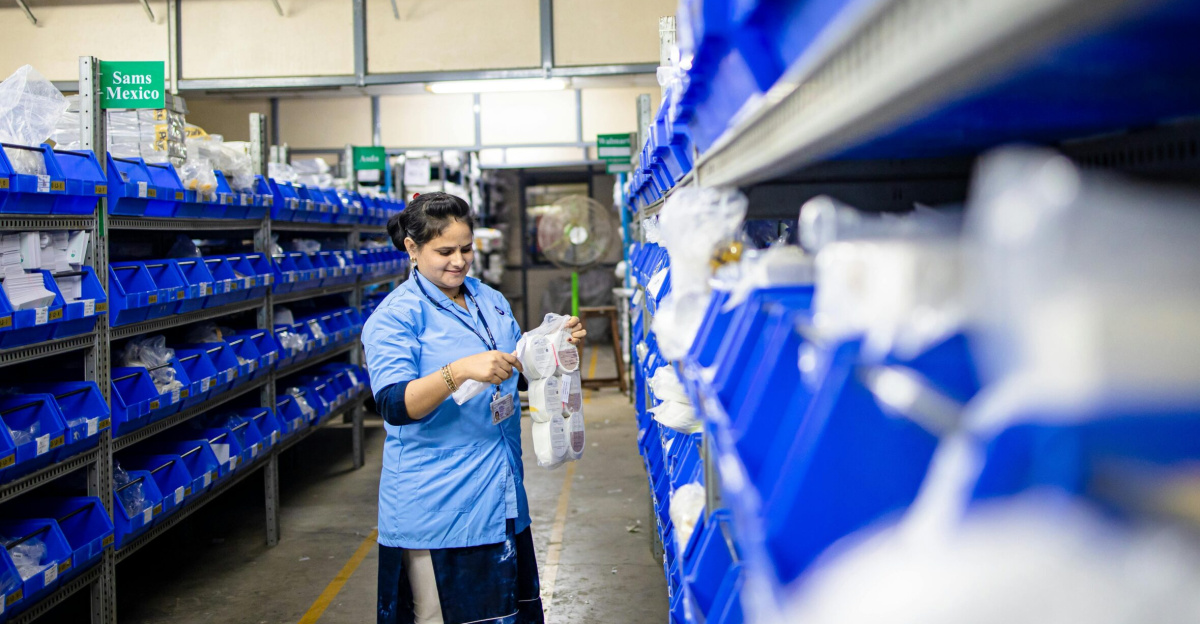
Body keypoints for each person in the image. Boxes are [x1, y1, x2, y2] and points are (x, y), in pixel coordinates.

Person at [362, 192, 586, 624]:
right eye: (445, 251)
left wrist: (555, 346)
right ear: (412, 248)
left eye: (466, 249)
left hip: (500, 492)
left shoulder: (490, 299)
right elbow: (393, 404)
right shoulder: (396, 316)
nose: (460, 261)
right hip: (440, 506)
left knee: (509, 614)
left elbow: (513, 371)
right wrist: (458, 370)